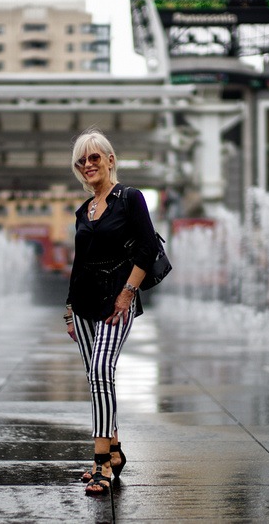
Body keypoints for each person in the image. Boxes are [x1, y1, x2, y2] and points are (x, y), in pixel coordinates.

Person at [64, 129, 158, 496]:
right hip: (84, 302)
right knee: (96, 376)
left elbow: (147, 249)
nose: (88, 165)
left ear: (110, 160)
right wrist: (69, 308)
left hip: (118, 298)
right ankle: (115, 449)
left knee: (103, 369)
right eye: (81, 161)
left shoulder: (129, 198)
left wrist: (127, 293)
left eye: (94, 158)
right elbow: (79, 263)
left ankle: (101, 460)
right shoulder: (82, 211)